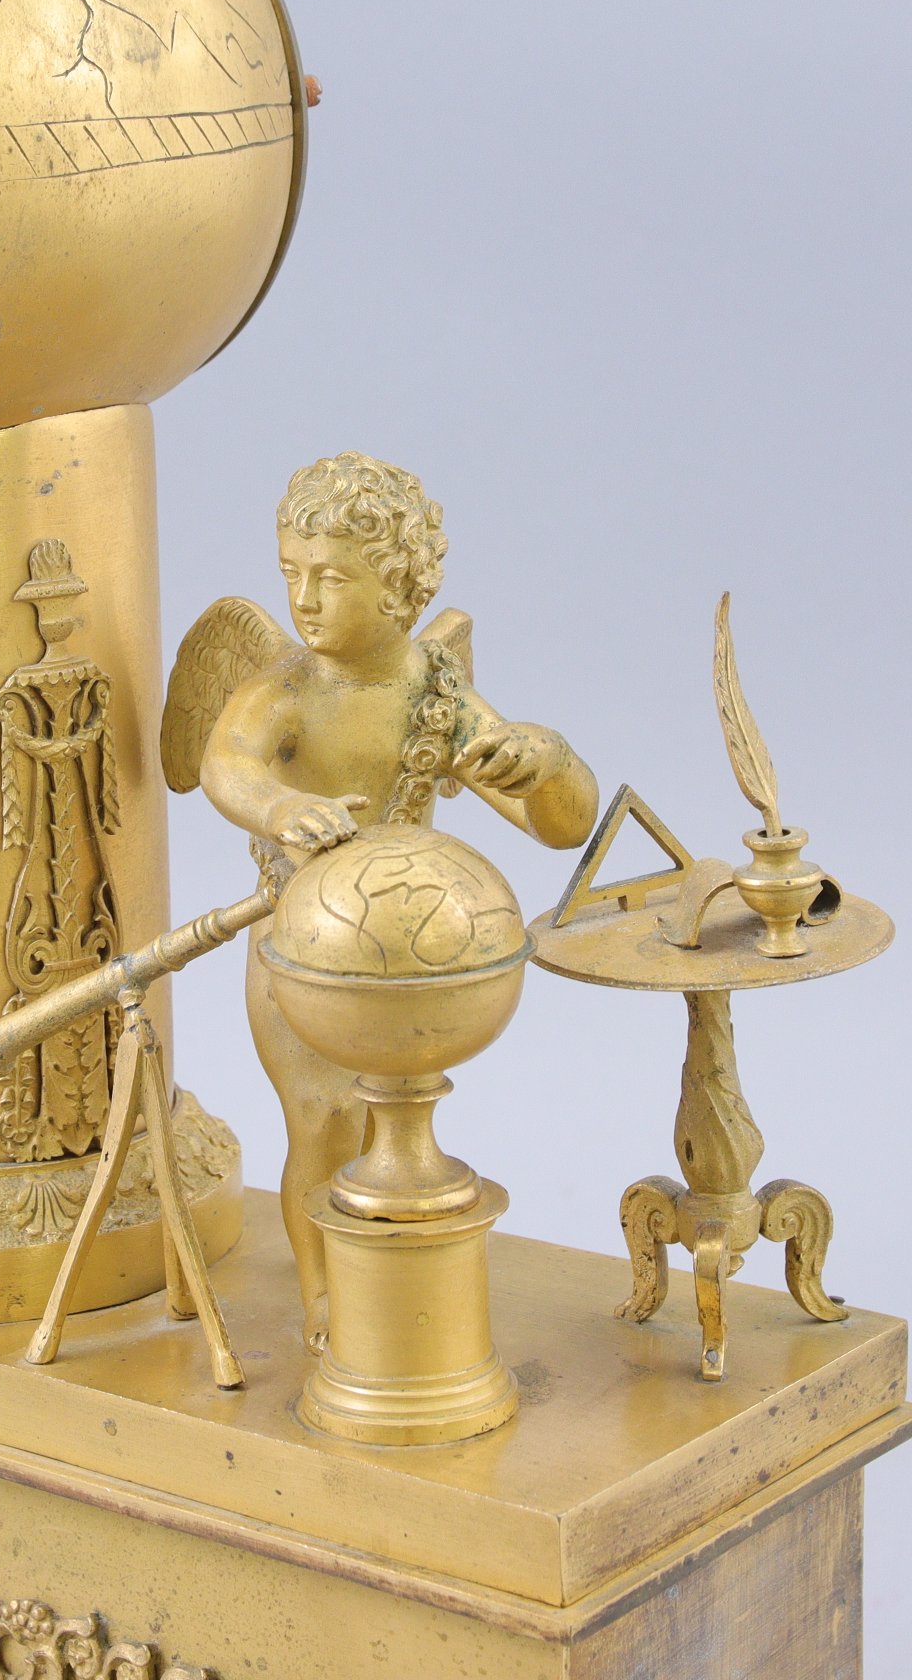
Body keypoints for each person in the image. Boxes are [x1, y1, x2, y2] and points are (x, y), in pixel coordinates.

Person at [197, 453, 598, 1349]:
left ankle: (396, 1288)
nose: (305, 600)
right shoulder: (286, 689)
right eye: (292, 572)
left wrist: (546, 760)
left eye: (332, 578)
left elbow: (559, 826)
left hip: (405, 953)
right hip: (298, 948)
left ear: (399, 589)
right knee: (324, 1121)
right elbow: (225, 764)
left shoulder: (435, 694)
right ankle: (326, 1299)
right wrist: (281, 807)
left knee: (398, 1121)